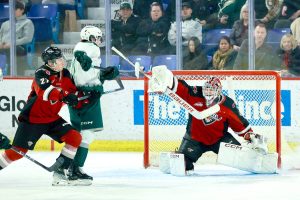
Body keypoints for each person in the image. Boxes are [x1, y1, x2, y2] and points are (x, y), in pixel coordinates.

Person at [148, 65, 273, 173]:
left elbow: (240, 124)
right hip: (194, 139)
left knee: (243, 158)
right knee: (181, 165)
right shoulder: (196, 94)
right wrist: (166, 80)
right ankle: (179, 157)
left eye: (211, 90)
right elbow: (180, 87)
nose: (208, 92)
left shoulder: (228, 105)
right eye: (207, 89)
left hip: (219, 139)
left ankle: (260, 162)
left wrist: (250, 136)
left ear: (218, 91)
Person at [0, 46, 83, 186]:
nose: (61, 61)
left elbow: (74, 92)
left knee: (74, 137)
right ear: (50, 62)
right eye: (58, 60)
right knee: (16, 153)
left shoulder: (66, 74)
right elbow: (45, 92)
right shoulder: (41, 73)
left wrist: (88, 94)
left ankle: (60, 172)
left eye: (61, 58)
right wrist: (64, 96)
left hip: (52, 118)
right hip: (32, 119)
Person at [68, 25, 120, 185]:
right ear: (90, 37)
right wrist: (82, 56)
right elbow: (81, 56)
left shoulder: (83, 47)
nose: (99, 41)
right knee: (85, 135)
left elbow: (88, 72)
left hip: (82, 96)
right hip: (85, 97)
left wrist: (103, 74)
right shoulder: (89, 48)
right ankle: (74, 168)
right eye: (97, 37)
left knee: (82, 134)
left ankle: (73, 167)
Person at [0, 0, 34, 75]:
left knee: (10, 49)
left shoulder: (27, 22)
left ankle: (11, 74)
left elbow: (28, 38)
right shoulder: (5, 23)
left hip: (18, 47)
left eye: (15, 9)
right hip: (4, 47)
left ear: (22, 10)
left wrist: (12, 44)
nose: (12, 11)